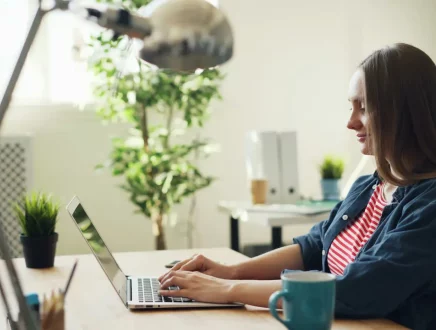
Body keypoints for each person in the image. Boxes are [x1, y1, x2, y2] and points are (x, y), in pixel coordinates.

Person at [158, 43, 436, 330]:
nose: (350, 122)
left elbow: (358, 289)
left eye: (364, 108)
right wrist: (230, 272)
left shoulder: (430, 206)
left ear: (405, 111)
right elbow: (313, 247)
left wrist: (228, 290)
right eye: (350, 107)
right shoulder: (368, 187)